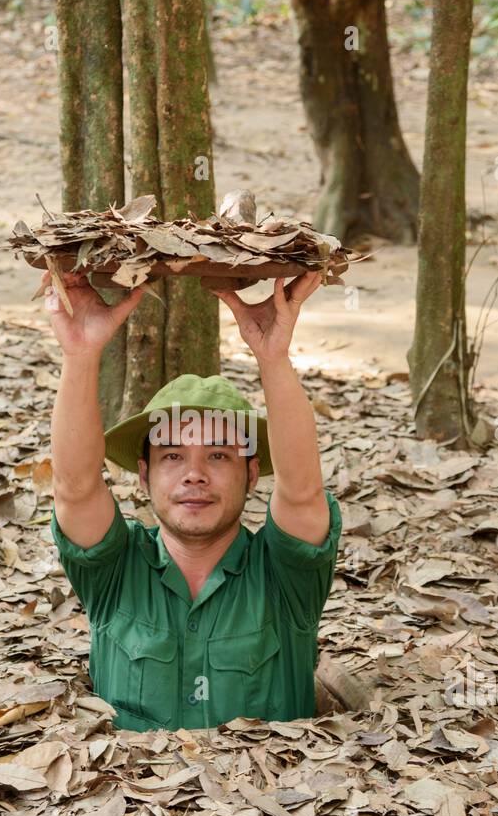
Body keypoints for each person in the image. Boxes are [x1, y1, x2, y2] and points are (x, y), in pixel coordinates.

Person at [44, 267, 342, 732]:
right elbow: (75, 488)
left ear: (250, 473)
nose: (195, 475)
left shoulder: (285, 577)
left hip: (265, 800)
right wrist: (80, 352)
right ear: (144, 475)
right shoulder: (115, 570)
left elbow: (302, 492)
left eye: (219, 455)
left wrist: (273, 358)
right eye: (173, 456)